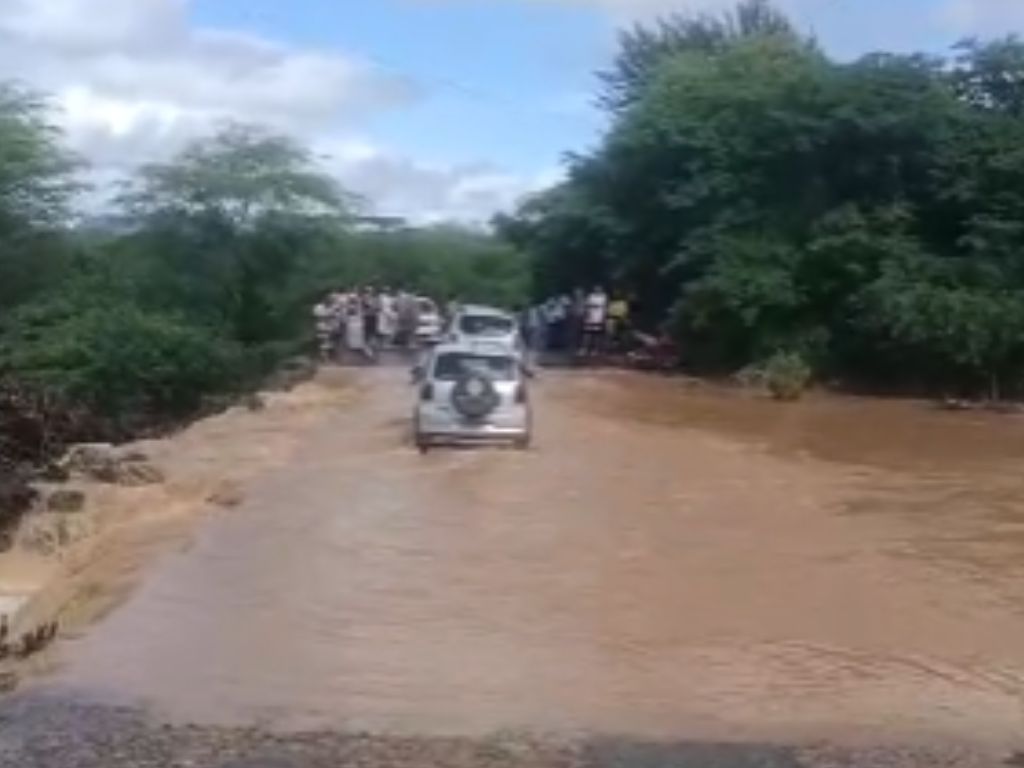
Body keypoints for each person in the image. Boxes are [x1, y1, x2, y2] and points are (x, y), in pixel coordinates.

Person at [582, 286, 608, 357]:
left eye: (599, 289)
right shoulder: (591, 296)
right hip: (590, 317)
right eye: (596, 289)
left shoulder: (603, 297)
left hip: (599, 317)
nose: (597, 290)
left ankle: (595, 350)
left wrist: (603, 318)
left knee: (597, 334)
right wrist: (586, 315)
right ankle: (585, 349)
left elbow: (605, 307)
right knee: (587, 334)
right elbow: (587, 306)